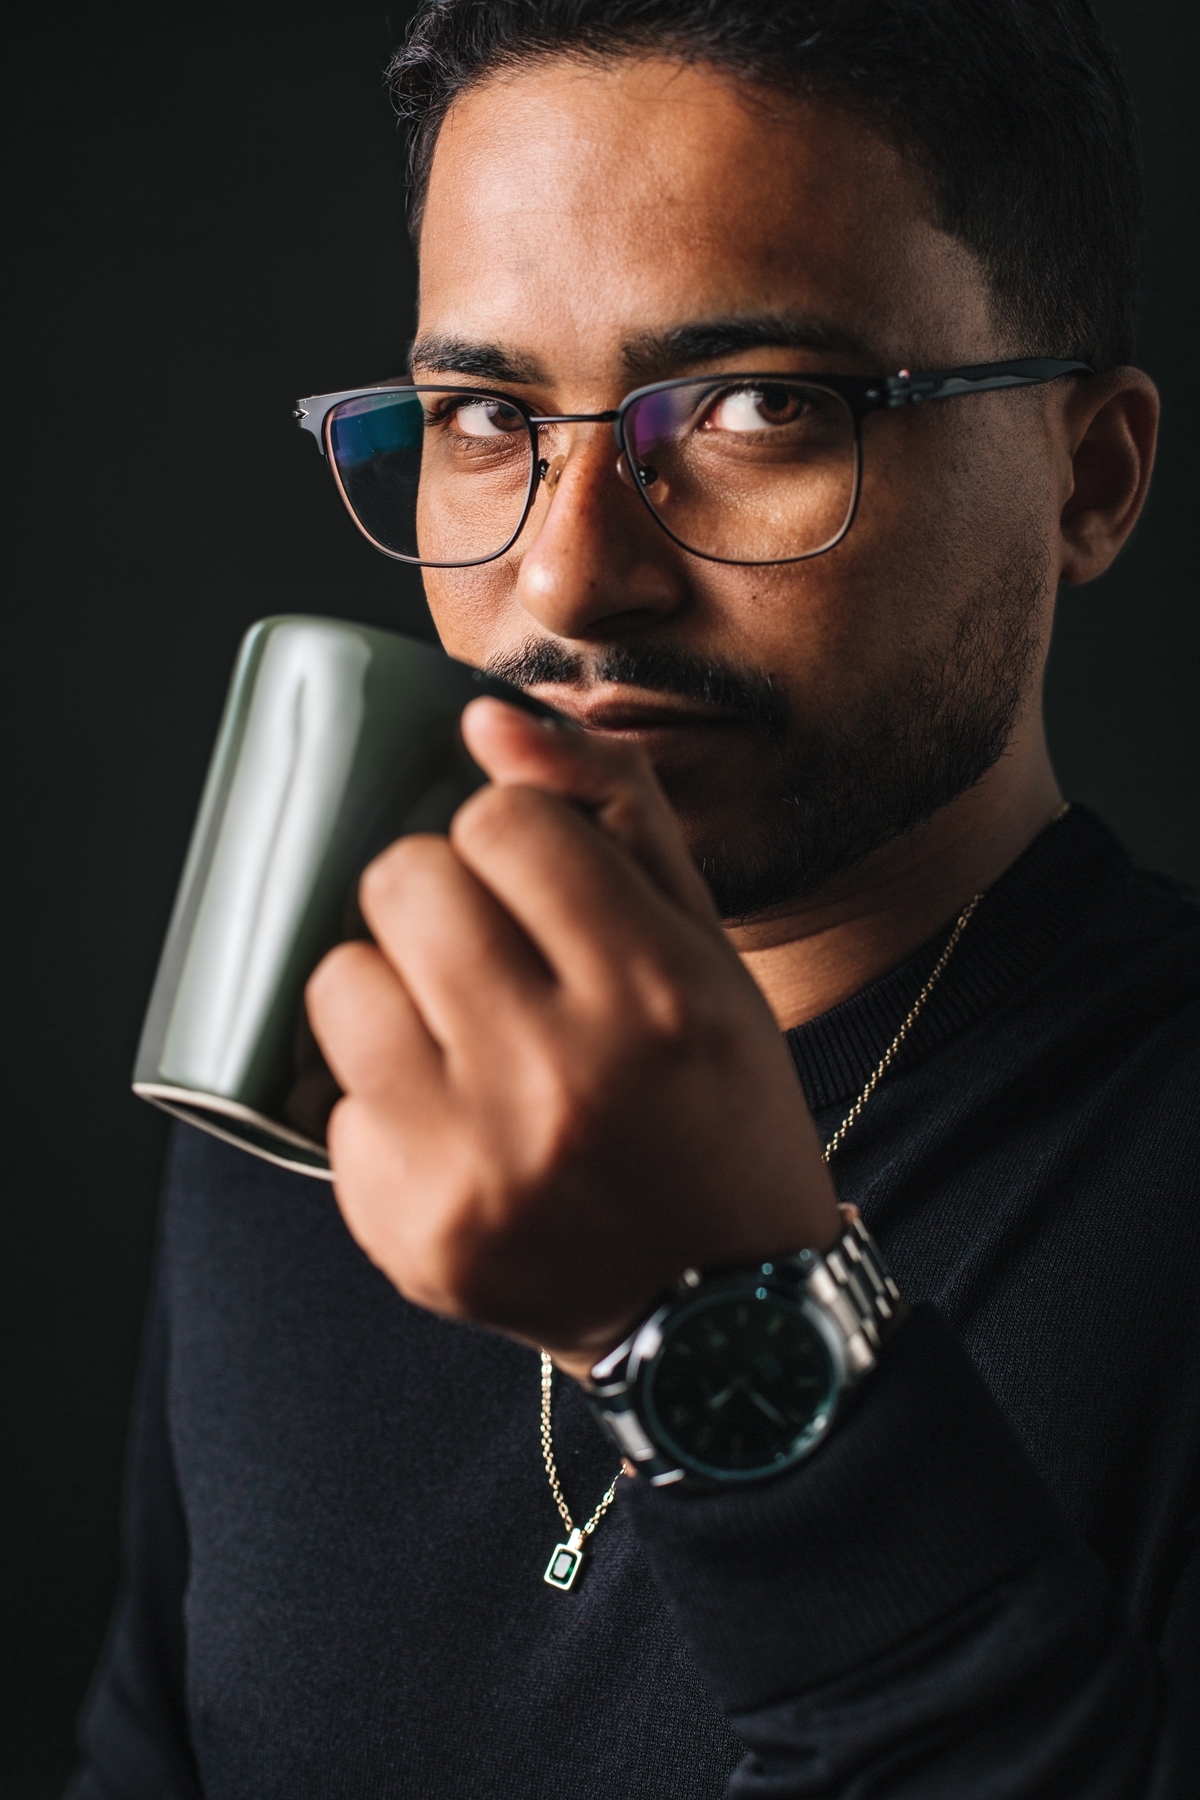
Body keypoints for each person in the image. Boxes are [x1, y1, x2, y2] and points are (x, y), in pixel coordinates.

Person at [69, 2, 1198, 1795]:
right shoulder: (322, 1085)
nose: (570, 576)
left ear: (1093, 476)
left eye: (761, 406)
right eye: (485, 416)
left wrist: (713, 1323)